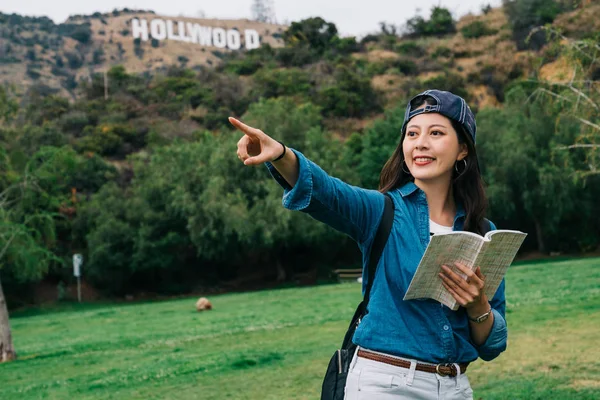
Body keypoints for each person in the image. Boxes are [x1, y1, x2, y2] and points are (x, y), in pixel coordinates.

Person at [229, 89, 507, 400]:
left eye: (437, 133)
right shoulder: (380, 211)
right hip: (384, 385)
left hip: (456, 388)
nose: (421, 143)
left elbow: (493, 345)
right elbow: (327, 191)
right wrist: (281, 154)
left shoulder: (483, 233)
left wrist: (478, 306)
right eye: (412, 133)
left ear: (463, 150)